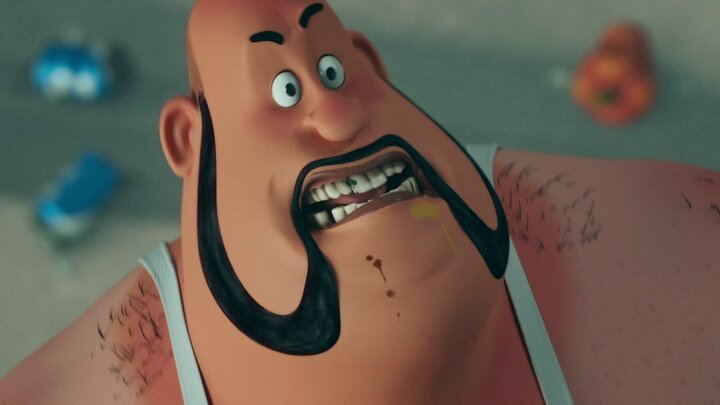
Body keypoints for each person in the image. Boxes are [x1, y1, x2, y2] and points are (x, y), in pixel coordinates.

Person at [2, 1, 719, 403]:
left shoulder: (677, 257)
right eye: (284, 90)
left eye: (336, 69)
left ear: (372, 64)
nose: (339, 115)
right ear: (190, 139)